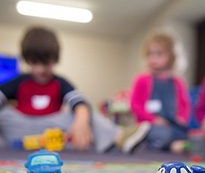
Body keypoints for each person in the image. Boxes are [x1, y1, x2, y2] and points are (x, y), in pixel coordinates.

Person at [0, 27, 149, 153]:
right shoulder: (20, 81)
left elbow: (80, 103)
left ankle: (120, 138)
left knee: (84, 114)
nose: (40, 69)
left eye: (46, 63)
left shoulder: (60, 82)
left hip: (52, 130)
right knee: (4, 113)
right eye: (34, 63)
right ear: (27, 60)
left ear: (55, 59)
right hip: (19, 129)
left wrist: (80, 122)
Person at [130, 32, 190, 153]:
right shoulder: (142, 80)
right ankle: (160, 144)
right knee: (161, 134)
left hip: (171, 124)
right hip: (149, 125)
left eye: (159, 54)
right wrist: (154, 120)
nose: (153, 58)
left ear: (171, 57)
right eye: (150, 54)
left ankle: (167, 144)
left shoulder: (177, 82)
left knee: (187, 134)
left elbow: (184, 105)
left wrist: (181, 118)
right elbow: (135, 105)